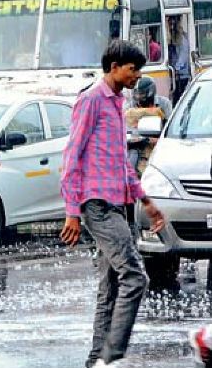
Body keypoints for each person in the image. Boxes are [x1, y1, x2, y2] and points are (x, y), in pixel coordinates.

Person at [59, 40, 166, 368]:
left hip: (118, 203)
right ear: (116, 66)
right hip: (97, 205)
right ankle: (111, 356)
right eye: (133, 70)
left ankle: (97, 361)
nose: (137, 76)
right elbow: (72, 155)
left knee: (111, 287)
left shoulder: (118, 103)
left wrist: (146, 200)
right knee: (136, 277)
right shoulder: (91, 100)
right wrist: (72, 211)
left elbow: (120, 162)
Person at [124, 76, 166, 177]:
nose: (138, 97)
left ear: (151, 92)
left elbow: (167, 129)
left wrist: (149, 139)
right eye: (136, 94)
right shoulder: (129, 107)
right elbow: (125, 127)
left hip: (156, 144)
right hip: (134, 145)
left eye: (141, 94)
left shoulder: (164, 104)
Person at [167, 15, 191, 103]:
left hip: (181, 75)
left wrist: (176, 68)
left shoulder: (182, 38)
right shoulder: (171, 38)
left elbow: (183, 55)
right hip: (174, 76)